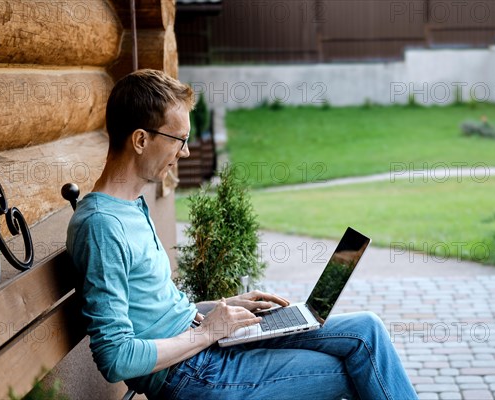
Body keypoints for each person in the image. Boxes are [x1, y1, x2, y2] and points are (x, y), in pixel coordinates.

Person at [66, 69, 418, 400]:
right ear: (141, 140)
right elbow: (116, 358)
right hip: (190, 373)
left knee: (366, 331)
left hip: (203, 346)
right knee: (356, 368)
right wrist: (207, 331)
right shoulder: (103, 226)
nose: (185, 152)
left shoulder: (130, 206)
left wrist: (227, 308)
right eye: (179, 139)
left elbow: (157, 310)